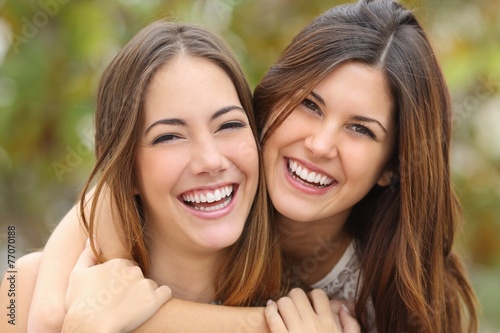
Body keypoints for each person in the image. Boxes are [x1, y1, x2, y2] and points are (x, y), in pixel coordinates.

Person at [5, 0, 479, 332]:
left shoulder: (378, 294)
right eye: (310, 105)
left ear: (391, 167)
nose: (319, 143)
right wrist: (51, 308)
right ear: (269, 105)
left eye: (361, 129)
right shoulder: (224, 178)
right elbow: (105, 195)